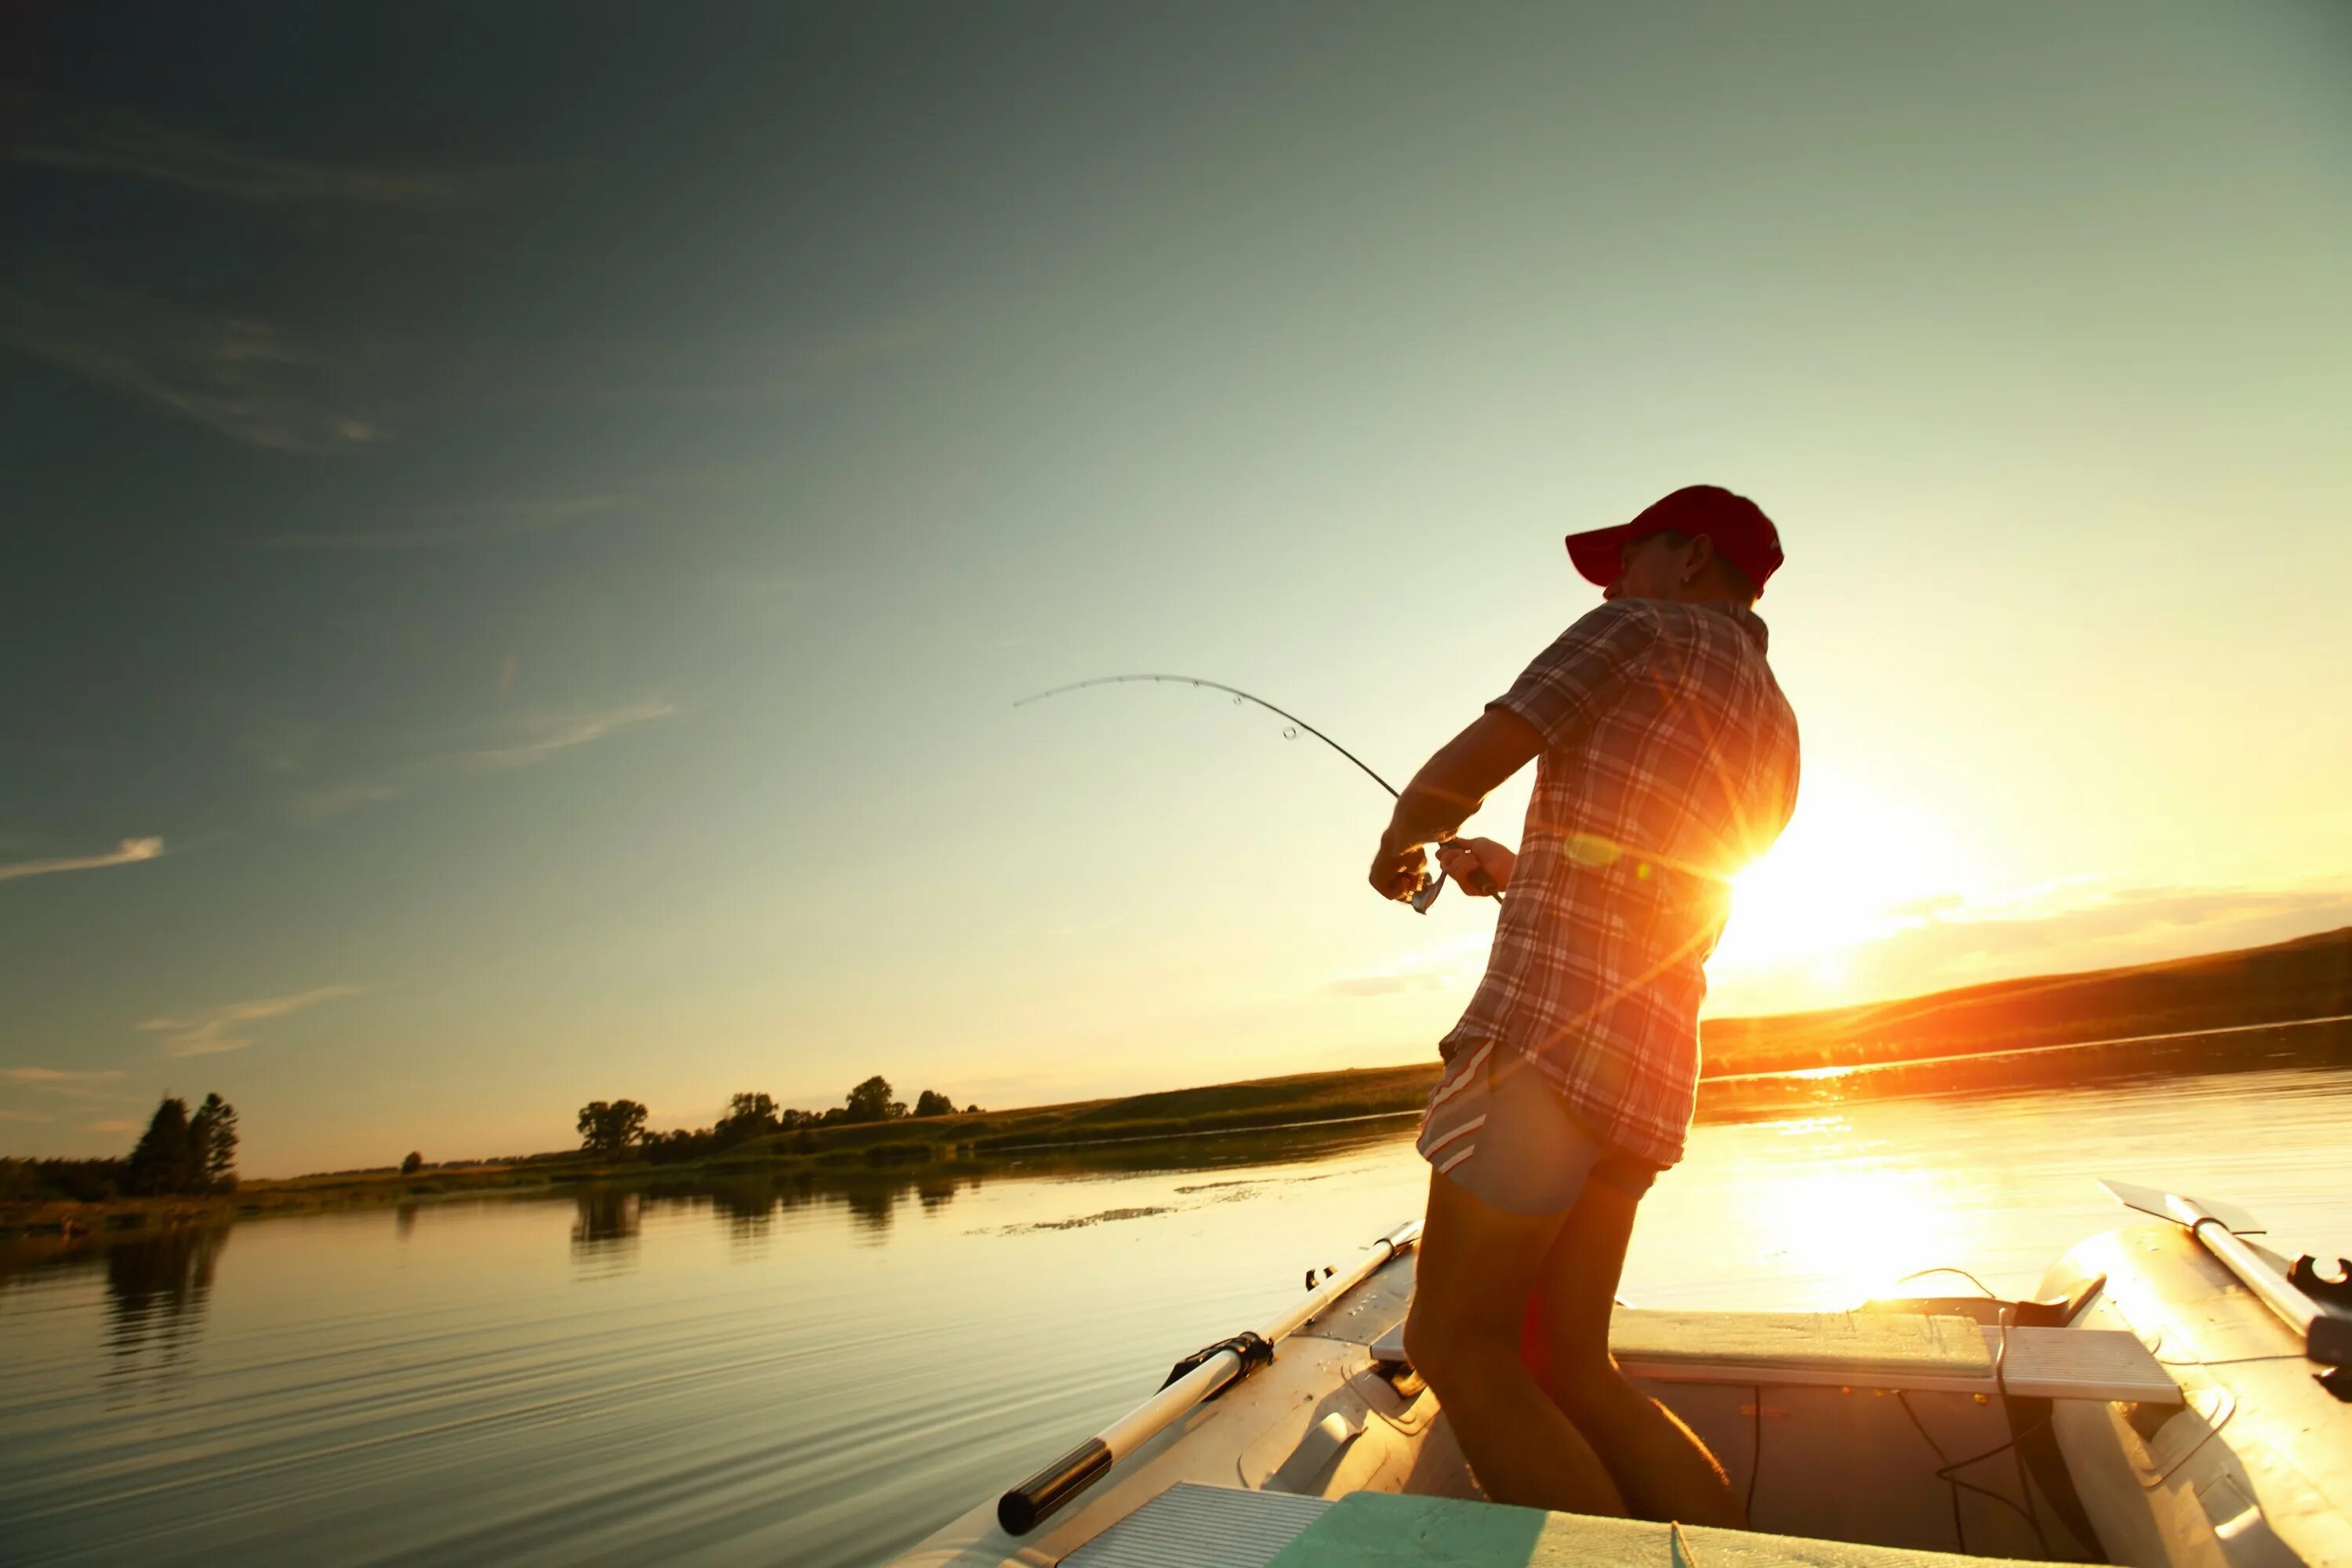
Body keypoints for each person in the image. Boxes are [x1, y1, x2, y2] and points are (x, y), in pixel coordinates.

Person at [1367, 484, 1802, 1523]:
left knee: (1454, 1344)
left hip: (1543, 1048)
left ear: (1691, 556)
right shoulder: (1776, 720)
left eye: (1628, 556)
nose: (1610, 581)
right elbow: (1670, 883)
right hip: (1652, 1072)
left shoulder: (1638, 629)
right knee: (1573, 1363)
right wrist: (1521, 871)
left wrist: (1402, 842)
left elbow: (1479, 756)